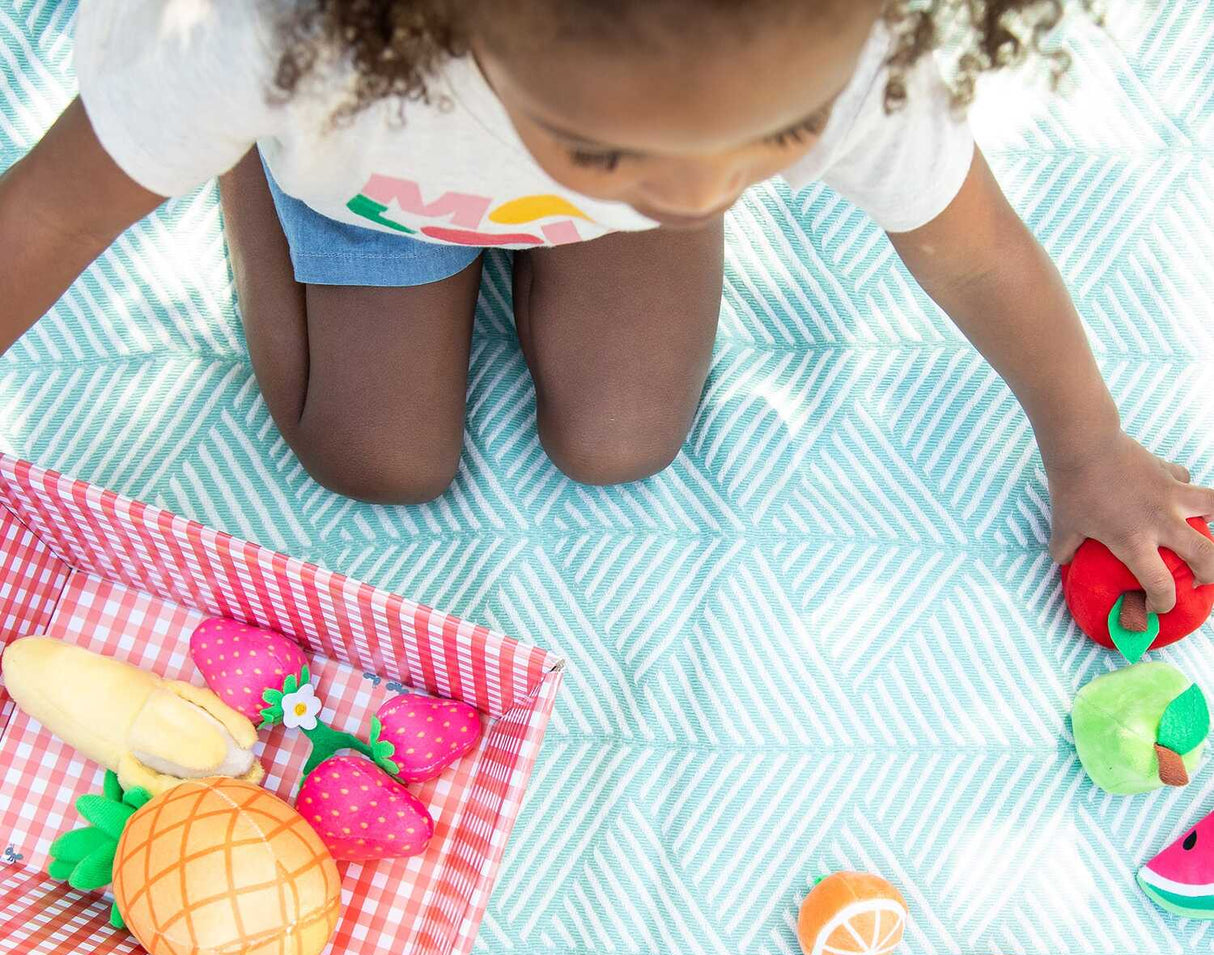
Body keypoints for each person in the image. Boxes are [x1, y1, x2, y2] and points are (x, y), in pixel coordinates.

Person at [2, 0, 1211, 612]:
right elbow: (53, 215)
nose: (701, 200)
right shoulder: (274, 39)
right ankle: (241, 163)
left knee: (624, 434)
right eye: (608, 146)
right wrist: (212, 127)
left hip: (580, 200)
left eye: (774, 135)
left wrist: (1085, 443)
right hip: (364, 190)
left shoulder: (826, 46)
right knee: (374, 455)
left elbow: (978, 253)